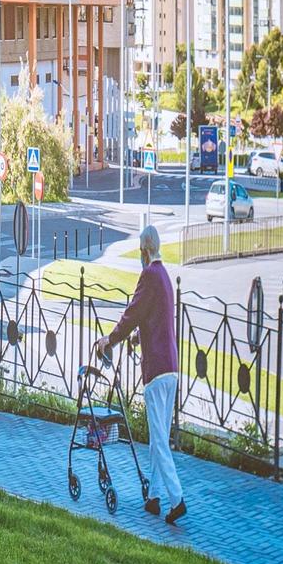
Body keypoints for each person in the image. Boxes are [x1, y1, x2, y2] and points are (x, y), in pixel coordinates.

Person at [97, 223, 186, 525]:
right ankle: (154, 497)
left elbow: (132, 314)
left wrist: (109, 339)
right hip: (171, 366)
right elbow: (155, 319)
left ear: (145, 250)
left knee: (159, 440)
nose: (139, 255)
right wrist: (138, 337)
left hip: (156, 369)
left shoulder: (148, 276)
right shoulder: (164, 277)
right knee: (158, 434)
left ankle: (176, 498)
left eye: (139, 249)